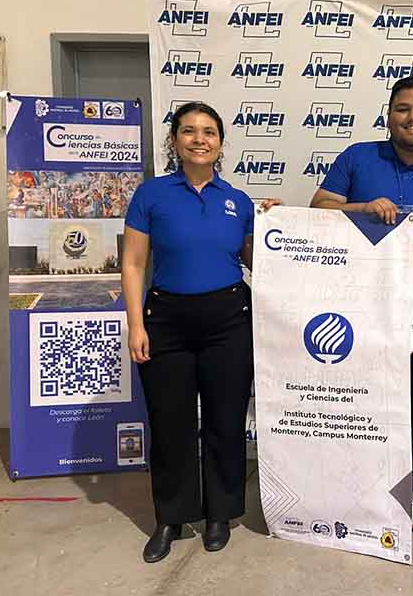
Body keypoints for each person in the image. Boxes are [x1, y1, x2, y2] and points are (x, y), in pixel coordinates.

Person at [310, 76, 413, 530]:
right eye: (404, 108)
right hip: (359, 305)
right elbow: (318, 208)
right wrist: (364, 208)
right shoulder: (358, 157)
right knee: (360, 400)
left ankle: (405, 489)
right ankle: (351, 484)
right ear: (388, 115)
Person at [122, 102, 257, 563]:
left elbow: (258, 260)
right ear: (174, 140)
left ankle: (220, 513)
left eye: (209, 132)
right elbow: (134, 263)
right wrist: (136, 323)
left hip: (229, 320)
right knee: (170, 421)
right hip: (167, 322)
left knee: (225, 419)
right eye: (189, 131)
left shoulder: (237, 201)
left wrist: (275, 228)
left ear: (220, 143)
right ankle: (171, 518)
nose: (199, 139)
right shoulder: (151, 195)